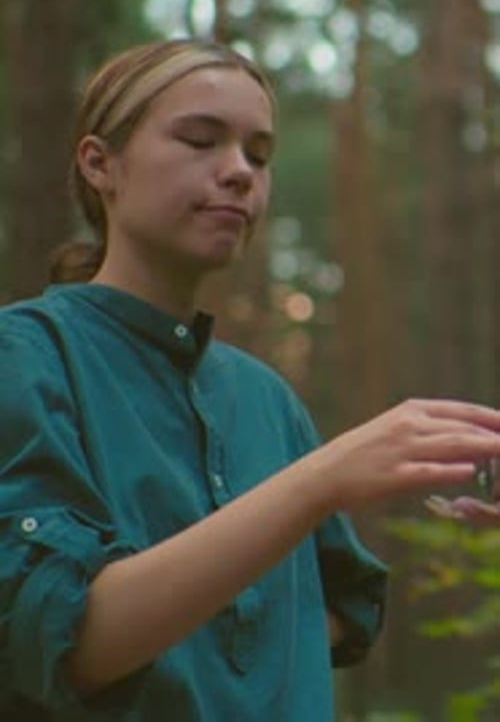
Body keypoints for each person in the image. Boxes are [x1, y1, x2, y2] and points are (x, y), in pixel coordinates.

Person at [1, 39, 500, 722]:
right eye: (201, 140)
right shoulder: (27, 355)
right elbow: (63, 639)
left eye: (258, 155)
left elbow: (329, 615)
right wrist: (322, 479)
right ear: (100, 163)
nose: (239, 172)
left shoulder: (267, 400)